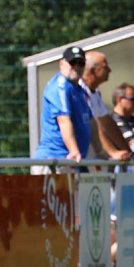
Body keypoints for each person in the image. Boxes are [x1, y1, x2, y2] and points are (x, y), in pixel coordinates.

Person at [31, 46, 92, 174]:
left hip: (72, 161)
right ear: (62, 63)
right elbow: (63, 120)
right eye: (72, 62)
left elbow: (92, 123)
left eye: (81, 63)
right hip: (55, 162)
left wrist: (103, 151)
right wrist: (74, 151)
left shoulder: (80, 89)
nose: (77, 66)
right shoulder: (60, 86)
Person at [80, 51, 133, 161]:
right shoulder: (79, 91)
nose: (110, 70)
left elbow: (107, 123)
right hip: (72, 158)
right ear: (92, 71)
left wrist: (128, 152)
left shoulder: (95, 93)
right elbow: (95, 125)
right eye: (105, 67)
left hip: (88, 157)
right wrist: (112, 152)